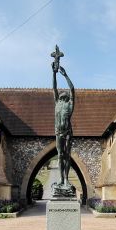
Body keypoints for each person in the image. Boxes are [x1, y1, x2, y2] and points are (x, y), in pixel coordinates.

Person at [52, 61, 75, 192]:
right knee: (60, 155)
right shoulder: (57, 103)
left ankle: (66, 179)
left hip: (67, 132)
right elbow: (54, 87)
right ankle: (61, 179)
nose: (62, 93)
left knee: (67, 155)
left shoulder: (70, 104)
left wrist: (65, 75)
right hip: (58, 132)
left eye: (63, 93)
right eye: (61, 93)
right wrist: (54, 73)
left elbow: (72, 89)